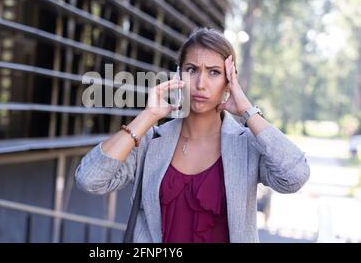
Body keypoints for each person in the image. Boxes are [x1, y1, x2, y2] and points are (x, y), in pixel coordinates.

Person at [75, 27, 310, 243]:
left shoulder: (247, 145)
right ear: (178, 76)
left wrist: (248, 112)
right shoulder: (151, 142)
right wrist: (148, 116)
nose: (200, 83)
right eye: (192, 70)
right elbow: (89, 180)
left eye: (214, 72)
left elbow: (295, 176)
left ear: (230, 82)